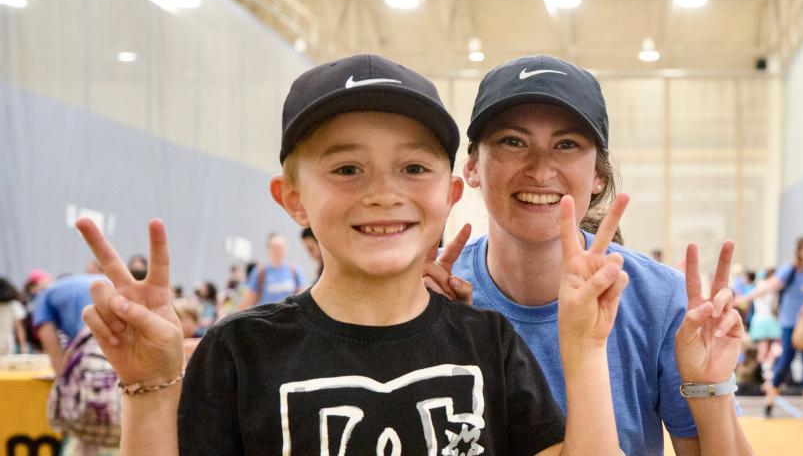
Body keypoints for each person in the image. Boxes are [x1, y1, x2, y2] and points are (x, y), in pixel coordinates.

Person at [75, 53, 635, 455]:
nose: (383, 193)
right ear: (293, 198)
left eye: (413, 168)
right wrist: (148, 392)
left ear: (449, 193)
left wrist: (584, 348)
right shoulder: (242, 351)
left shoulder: (487, 343)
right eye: (347, 169)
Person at [435, 55, 752, 454]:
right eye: (513, 142)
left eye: (566, 145)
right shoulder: (433, 293)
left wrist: (711, 391)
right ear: (473, 167)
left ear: (598, 175)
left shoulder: (659, 300)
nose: (540, 169)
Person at [739, 236, 803, 418]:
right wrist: (745, 298)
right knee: (785, 360)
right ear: (799, 251)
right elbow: (770, 285)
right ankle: (770, 400)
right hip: (790, 323)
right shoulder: (791, 269)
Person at [32, 273, 106, 373]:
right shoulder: (67, 287)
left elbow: (51, 344)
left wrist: (61, 375)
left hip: (92, 329)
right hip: (112, 292)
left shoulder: (42, 297)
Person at [238, 233, 308, 308]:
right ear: (268, 249)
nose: (278, 250)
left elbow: (302, 294)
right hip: (266, 316)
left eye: (280, 247)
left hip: (289, 316)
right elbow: (248, 299)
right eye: (274, 247)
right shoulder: (260, 271)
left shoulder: (293, 269)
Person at [746, 268, 781, 375]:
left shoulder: (769, 286)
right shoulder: (764, 285)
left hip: (767, 318)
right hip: (763, 318)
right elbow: (751, 296)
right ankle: (762, 371)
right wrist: (742, 298)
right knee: (764, 347)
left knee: (770, 346)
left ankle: (765, 368)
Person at [0, 277, 29, 355]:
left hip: (7, 341)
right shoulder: (14, 305)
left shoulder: (14, 305)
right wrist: (23, 347)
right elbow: (19, 328)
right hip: (7, 342)